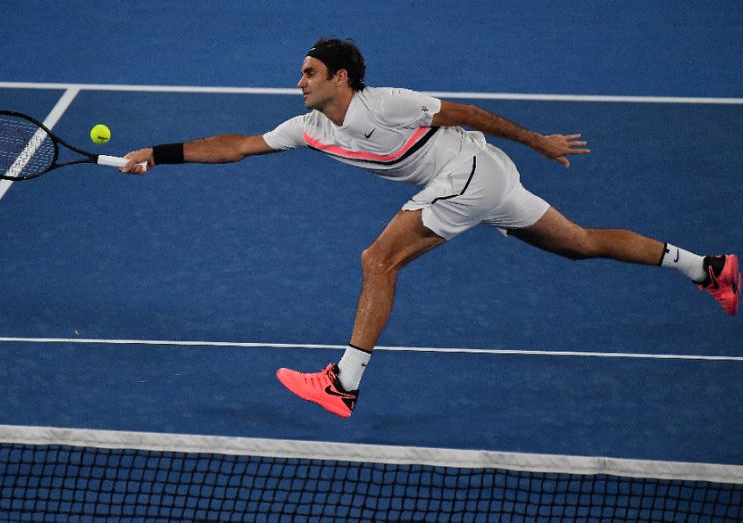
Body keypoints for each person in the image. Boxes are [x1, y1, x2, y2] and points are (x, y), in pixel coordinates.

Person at [122, 38, 739, 418]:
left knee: (377, 260)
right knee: (578, 244)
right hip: (479, 181)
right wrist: (159, 150)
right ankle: (710, 268)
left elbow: (465, 112)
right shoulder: (307, 129)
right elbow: (235, 146)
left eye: (309, 72)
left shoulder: (382, 103)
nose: (299, 81)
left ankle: (343, 382)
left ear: (340, 77)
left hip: (471, 169)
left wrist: (538, 141)